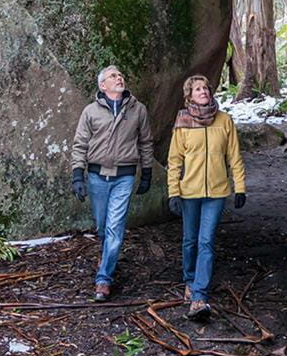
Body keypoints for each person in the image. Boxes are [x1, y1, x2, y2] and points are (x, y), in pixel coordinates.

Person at [70, 65, 155, 302]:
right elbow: (80, 144)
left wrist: (146, 172)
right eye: (113, 76)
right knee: (102, 226)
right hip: (97, 177)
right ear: (102, 85)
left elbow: (146, 142)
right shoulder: (90, 112)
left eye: (121, 75)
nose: (119, 78)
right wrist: (78, 175)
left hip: (124, 177)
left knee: (115, 230)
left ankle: (103, 279)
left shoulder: (138, 110)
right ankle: (107, 256)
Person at [167, 74, 246, 320]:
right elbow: (174, 160)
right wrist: (173, 192)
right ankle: (189, 280)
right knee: (190, 240)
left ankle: (199, 295)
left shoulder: (224, 120)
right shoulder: (182, 121)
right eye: (198, 89)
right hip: (189, 192)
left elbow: (234, 157)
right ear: (189, 95)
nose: (203, 91)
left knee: (206, 242)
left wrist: (240, 187)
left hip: (217, 191)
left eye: (206, 88)